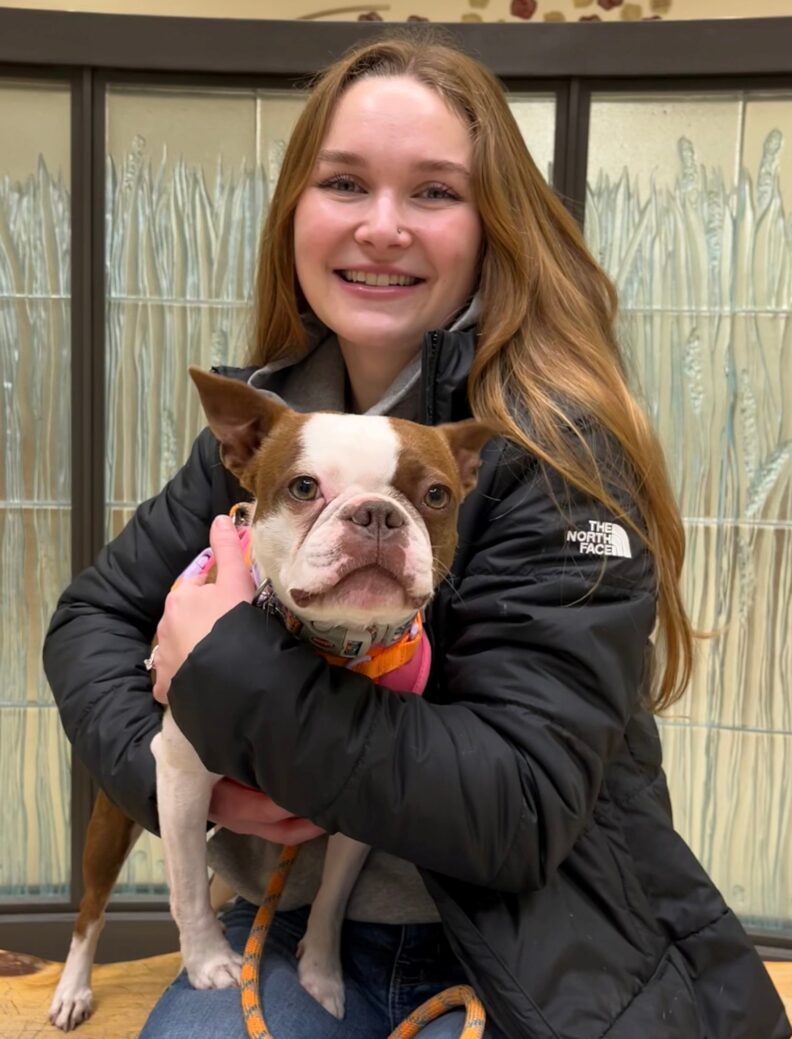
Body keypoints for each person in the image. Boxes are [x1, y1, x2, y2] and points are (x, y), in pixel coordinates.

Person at [44, 32, 790, 1039]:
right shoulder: (272, 424)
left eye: (434, 192)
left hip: (535, 947)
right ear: (295, 213)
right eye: (345, 181)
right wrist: (171, 766)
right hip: (295, 916)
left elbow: (519, 803)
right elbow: (91, 618)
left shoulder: (555, 447)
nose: (383, 226)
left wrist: (230, 673)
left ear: (495, 228)